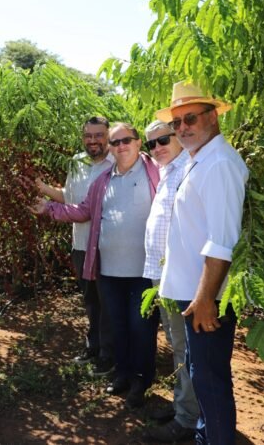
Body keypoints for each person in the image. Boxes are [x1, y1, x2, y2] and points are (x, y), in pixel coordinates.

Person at [32, 123, 160, 409]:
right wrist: (49, 209)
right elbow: (83, 211)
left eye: (126, 140)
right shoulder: (104, 180)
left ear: (138, 143)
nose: (120, 146)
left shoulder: (155, 172)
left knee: (141, 327)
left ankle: (141, 380)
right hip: (108, 271)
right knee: (118, 325)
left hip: (143, 271)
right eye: (115, 142)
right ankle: (123, 374)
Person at [156, 81, 248, 445]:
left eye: (189, 118)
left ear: (212, 117)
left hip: (204, 297)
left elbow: (222, 240)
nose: (181, 128)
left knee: (210, 380)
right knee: (203, 375)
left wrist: (206, 298)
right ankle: (206, 436)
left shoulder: (221, 164)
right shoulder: (203, 160)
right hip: (194, 293)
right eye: (176, 123)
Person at [34, 116, 115, 376]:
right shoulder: (77, 163)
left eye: (99, 135)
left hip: (106, 246)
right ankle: (94, 345)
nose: (93, 141)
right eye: (88, 136)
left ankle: (108, 354)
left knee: (107, 302)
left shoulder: (118, 163)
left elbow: (88, 210)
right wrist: (43, 188)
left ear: (108, 136)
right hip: (80, 244)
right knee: (90, 299)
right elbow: (68, 198)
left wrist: (51, 209)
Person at [139, 120, 199, 442]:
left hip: (179, 277)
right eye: (152, 143)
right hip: (160, 275)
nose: (157, 148)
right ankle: (183, 409)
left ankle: (188, 420)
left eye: (163, 140)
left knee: (185, 349)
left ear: (177, 137)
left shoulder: (187, 169)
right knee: (177, 347)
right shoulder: (165, 173)